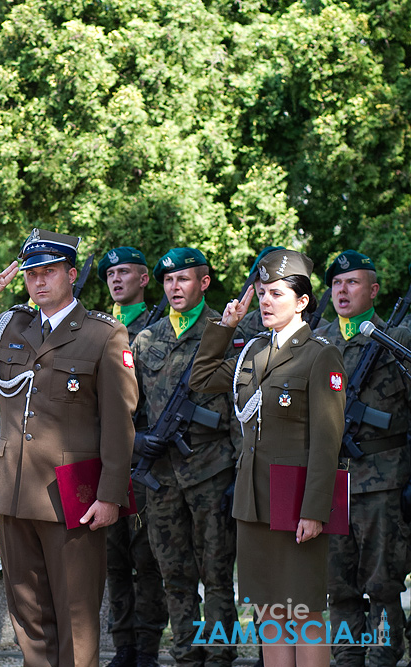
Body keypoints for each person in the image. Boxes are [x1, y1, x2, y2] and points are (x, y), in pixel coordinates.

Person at [0, 229, 138, 667]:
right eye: (32, 274)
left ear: (71, 274)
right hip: (15, 489)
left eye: (50, 272)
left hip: (72, 495)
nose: (39, 281)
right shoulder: (10, 326)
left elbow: (120, 424)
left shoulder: (104, 335)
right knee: (27, 615)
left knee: (76, 614)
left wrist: (110, 495)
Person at [190, 249, 346, 667]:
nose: (264, 300)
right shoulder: (252, 351)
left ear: (301, 302)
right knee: (269, 611)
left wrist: (314, 510)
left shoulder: (319, 354)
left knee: (305, 612)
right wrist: (226, 326)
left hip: (295, 501)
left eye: (276, 293)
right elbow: (201, 378)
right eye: (261, 292)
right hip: (253, 499)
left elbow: (327, 440)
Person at [129, 247, 239, 667]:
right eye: (169, 281)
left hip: (211, 471)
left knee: (216, 573)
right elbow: (130, 407)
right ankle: (186, 655)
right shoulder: (146, 339)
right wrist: (139, 440)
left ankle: (220, 655)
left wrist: (236, 470)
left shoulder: (227, 332)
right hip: (161, 476)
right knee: (173, 574)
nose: (175, 287)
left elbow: (238, 411)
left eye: (185, 279)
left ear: (204, 283)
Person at [315, 250, 411, 667]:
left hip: (382, 482)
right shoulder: (316, 342)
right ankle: (347, 657)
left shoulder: (397, 340)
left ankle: (383, 657)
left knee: (383, 582)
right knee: (338, 583)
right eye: (336, 283)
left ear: (373, 290)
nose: (342, 290)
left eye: (351, 282)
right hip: (330, 481)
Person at [97, 246, 167, 667]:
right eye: (110, 274)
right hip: (105, 461)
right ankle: (122, 645)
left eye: (125, 272)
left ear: (143, 279)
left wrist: (137, 440)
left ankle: (147, 648)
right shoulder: (96, 329)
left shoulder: (158, 330)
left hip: (144, 465)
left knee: (147, 559)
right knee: (113, 560)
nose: (116, 279)